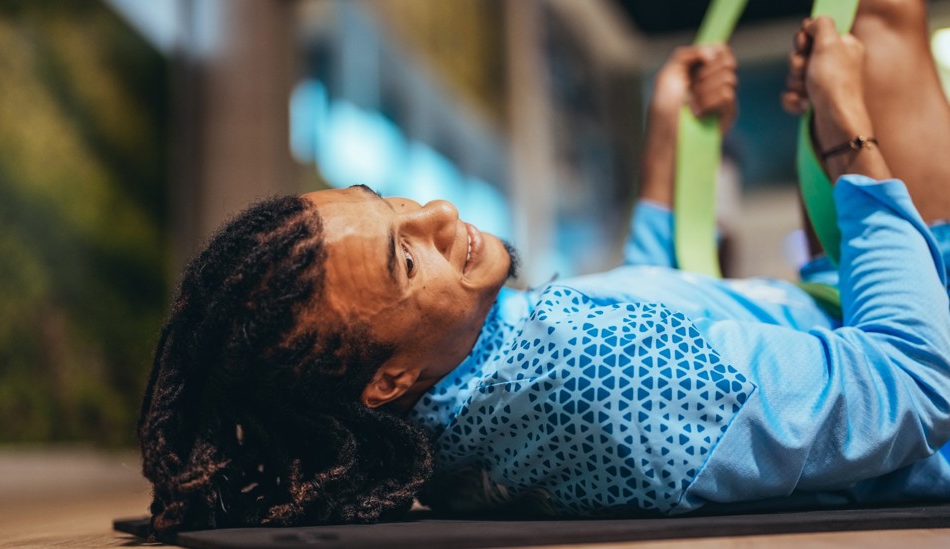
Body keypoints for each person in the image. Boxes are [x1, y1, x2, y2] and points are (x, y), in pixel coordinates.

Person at [138, 0, 950, 536]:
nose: (439, 214)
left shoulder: (447, 413)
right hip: (919, 329)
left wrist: (666, 135)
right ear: (383, 380)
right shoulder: (588, 374)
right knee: (876, 20)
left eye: (392, 203)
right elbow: (916, 380)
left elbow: (655, 324)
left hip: (844, 312)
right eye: (403, 255)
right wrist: (844, 127)